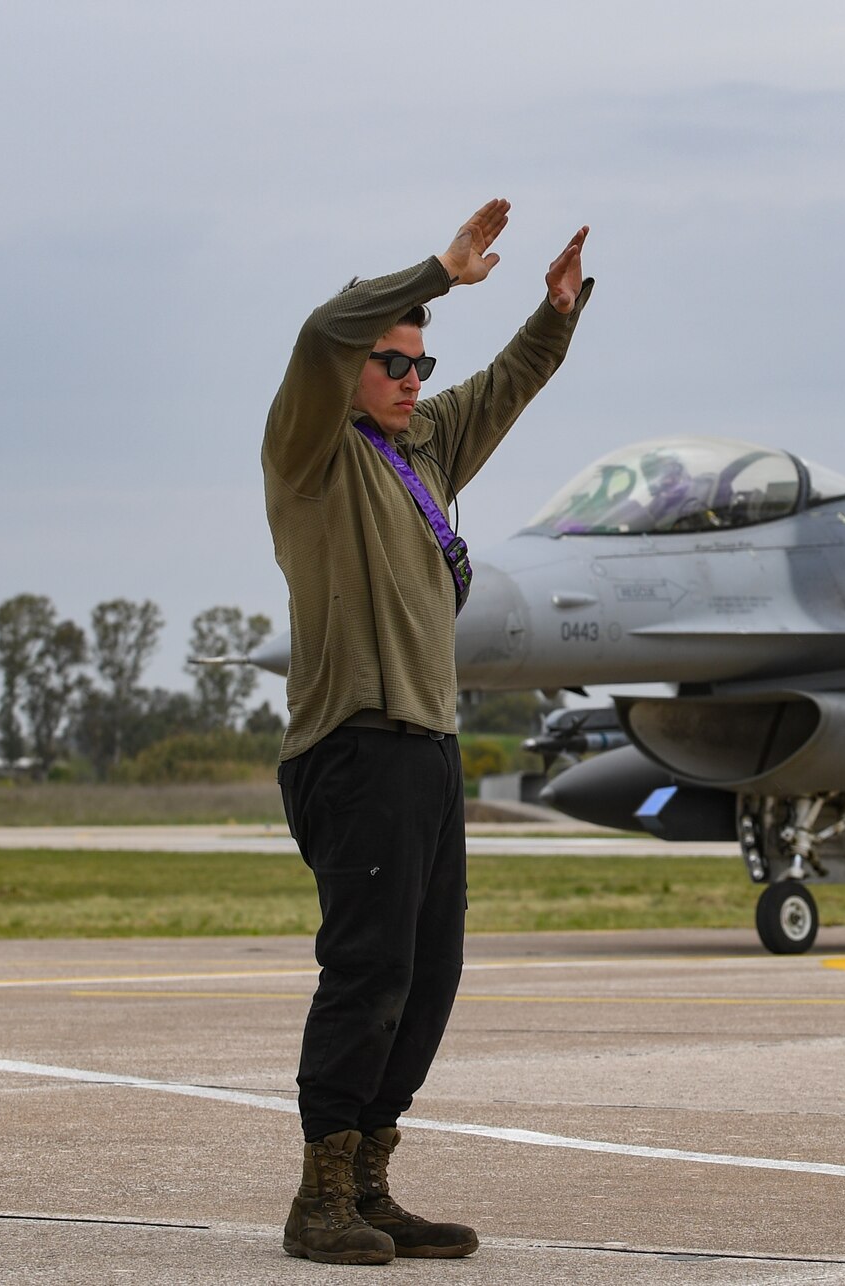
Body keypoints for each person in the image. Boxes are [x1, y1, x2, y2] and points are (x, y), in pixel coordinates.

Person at [262, 199, 591, 1265]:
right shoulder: (312, 452)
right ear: (355, 369)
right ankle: (317, 1196)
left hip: (426, 746)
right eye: (393, 362)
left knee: (429, 967)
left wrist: (551, 316)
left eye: (419, 362)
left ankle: (368, 1178)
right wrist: (435, 274)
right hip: (352, 742)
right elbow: (322, 334)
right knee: (366, 966)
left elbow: (499, 388)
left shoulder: (424, 451)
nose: (412, 378)